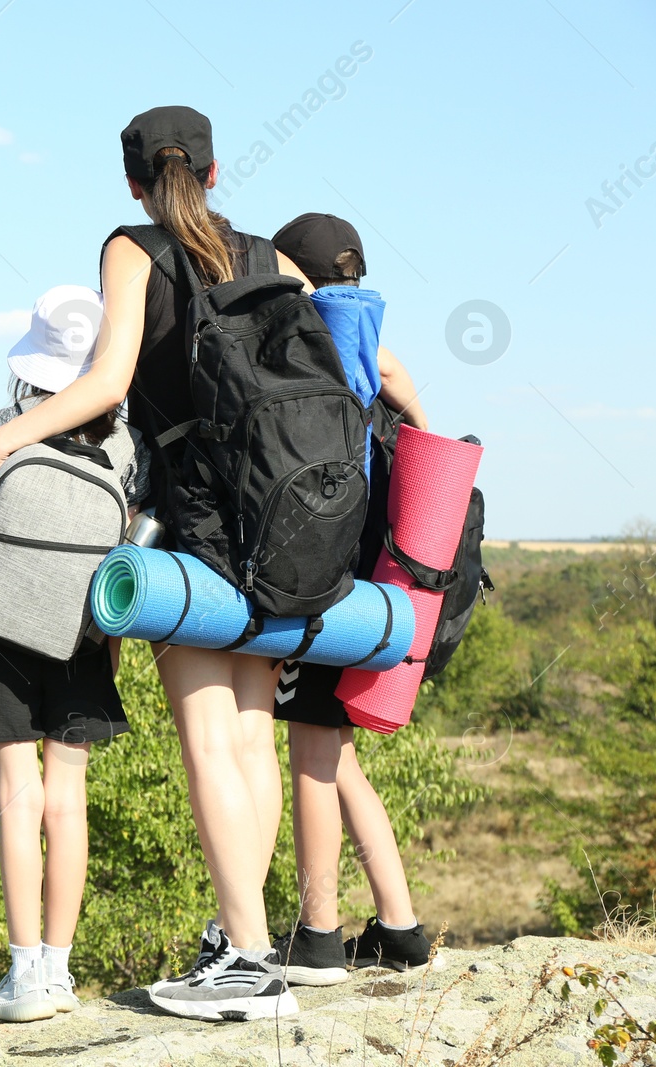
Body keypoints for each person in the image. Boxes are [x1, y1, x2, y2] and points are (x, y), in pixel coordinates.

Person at [0, 106, 309, 1021]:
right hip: (289, 520)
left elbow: (110, 378)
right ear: (214, 171)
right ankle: (244, 936)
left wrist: (10, 435)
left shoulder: (131, 247)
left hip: (197, 513)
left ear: (133, 181)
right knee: (251, 738)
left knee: (207, 734)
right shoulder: (277, 262)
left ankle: (247, 959)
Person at [0, 284, 151, 1023]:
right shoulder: (126, 446)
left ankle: (23, 974)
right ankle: (63, 973)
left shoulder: (0, 427)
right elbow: (129, 549)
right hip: (83, 637)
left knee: (17, 794)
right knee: (67, 802)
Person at [265, 213, 443, 982]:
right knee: (335, 755)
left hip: (323, 583)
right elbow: (425, 440)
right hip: (379, 583)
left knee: (310, 748)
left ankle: (318, 938)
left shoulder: (304, 346)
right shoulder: (378, 353)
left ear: (297, 278)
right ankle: (400, 926)